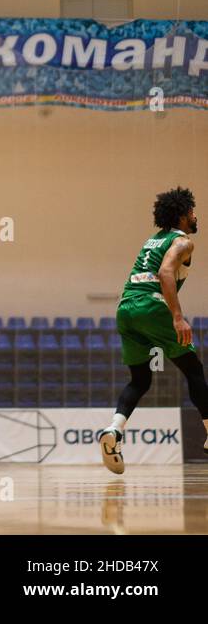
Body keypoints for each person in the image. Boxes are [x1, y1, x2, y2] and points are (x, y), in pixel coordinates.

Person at [99, 187, 207, 474]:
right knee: (194, 370)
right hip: (152, 306)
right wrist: (177, 317)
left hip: (126, 308)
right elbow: (165, 273)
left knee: (140, 380)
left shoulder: (152, 240)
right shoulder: (182, 241)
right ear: (183, 216)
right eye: (192, 212)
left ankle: (114, 431)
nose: (196, 216)